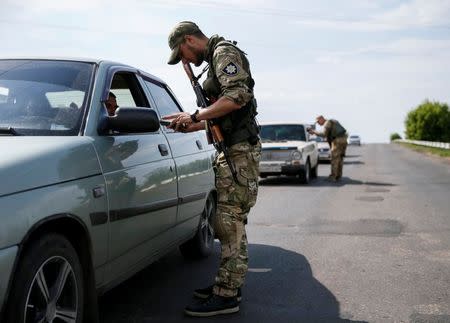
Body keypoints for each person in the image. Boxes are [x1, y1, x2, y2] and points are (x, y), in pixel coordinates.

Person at [164, 21, 261, 317]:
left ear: (189, 40)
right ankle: (228, 285)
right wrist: (189, 124)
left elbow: (237, 97)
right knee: (230, 222)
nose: (184, 60)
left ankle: (227, 296)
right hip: (233, 149)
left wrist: (194, 114)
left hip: (239, 151)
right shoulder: (214, 59)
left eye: (181, 53)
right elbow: (221, 116)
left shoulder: (223, 53)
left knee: (228, 222)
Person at [308, 115, 348, 181]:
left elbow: (323, 134)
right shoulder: (332, 121)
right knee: (340, 158)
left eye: (318, 122)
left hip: (337, 140)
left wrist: (314, 132)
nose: (318, 123)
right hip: (344, 139)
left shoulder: (327, 123)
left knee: (334, 159)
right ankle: (338, 175)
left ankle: (333, 176)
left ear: (321, 119)